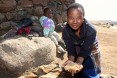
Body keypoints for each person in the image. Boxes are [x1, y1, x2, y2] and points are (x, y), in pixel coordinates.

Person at [62, 3, 101, 78]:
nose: (75, 21)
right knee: (76, 73)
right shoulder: (65, 31)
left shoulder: (91, 31)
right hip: (77, 49)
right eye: (71, 18)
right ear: (67, 18)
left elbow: (85, 49)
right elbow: (71, 49)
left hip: (91, 49)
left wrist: (77, 64)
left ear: (83, 17)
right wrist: (71, 61)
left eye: (79, 18)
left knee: (91, 72)